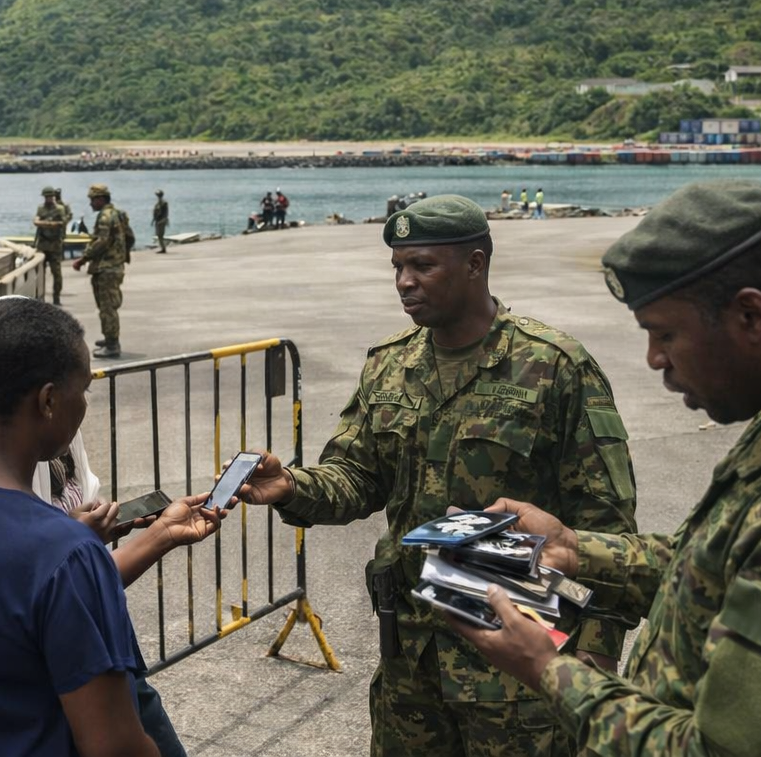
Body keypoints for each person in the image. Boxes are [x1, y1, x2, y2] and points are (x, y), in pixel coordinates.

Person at [447, 180, 761, 754]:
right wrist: (573, 550)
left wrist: (548, 669)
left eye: (665, 333)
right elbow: (720, 567)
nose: (655, 359)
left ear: (752, 315)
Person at [237, 195, 638, 757]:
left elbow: (606, 522)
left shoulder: (553, 366)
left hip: (515, 657)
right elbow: (357, 476)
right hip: (411, 662)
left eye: (422, 265)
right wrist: (293, 486)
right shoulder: (389, 364)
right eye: (398, 267)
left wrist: (596, 651)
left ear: (475, 264)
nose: (404, 282)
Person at [0, 296, 221, 756]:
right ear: (47, 400)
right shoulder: (66, 553)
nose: (83, 404)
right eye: (82, 389)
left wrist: (159, 534)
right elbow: (115, 746)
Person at [72, 184, 131, 359]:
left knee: (107, 308)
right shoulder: (118, 214)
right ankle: (109, 337)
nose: (90, 204)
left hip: (107, 268)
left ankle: (113, 345)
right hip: (114, 266)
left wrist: (83, 259)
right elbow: (129, 237)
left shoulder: (105, 217)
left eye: (92, 200)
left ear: (100, 199)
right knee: (107, 306)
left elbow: (101, 242)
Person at [34, 186, 68, 304]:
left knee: (57, 273)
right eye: (46, 197)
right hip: (42, 245)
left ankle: (56, 297)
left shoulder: (60, 209)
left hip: (55, 246)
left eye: (50, 196)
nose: (48, 199)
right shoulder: (41, 208)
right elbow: (36, 221)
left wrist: (45, 223)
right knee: (39, 274)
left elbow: (62, 223)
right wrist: (51, 223)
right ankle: (39, 298)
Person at [152, 189, 169, 253]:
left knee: (160, 235)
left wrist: (163, 220)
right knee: (159, 235)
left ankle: (163, 249)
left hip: (161, 220)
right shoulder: (159, 203)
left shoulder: (163, 203)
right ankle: (162, 247)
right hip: (158, 220)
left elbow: (165, 213)